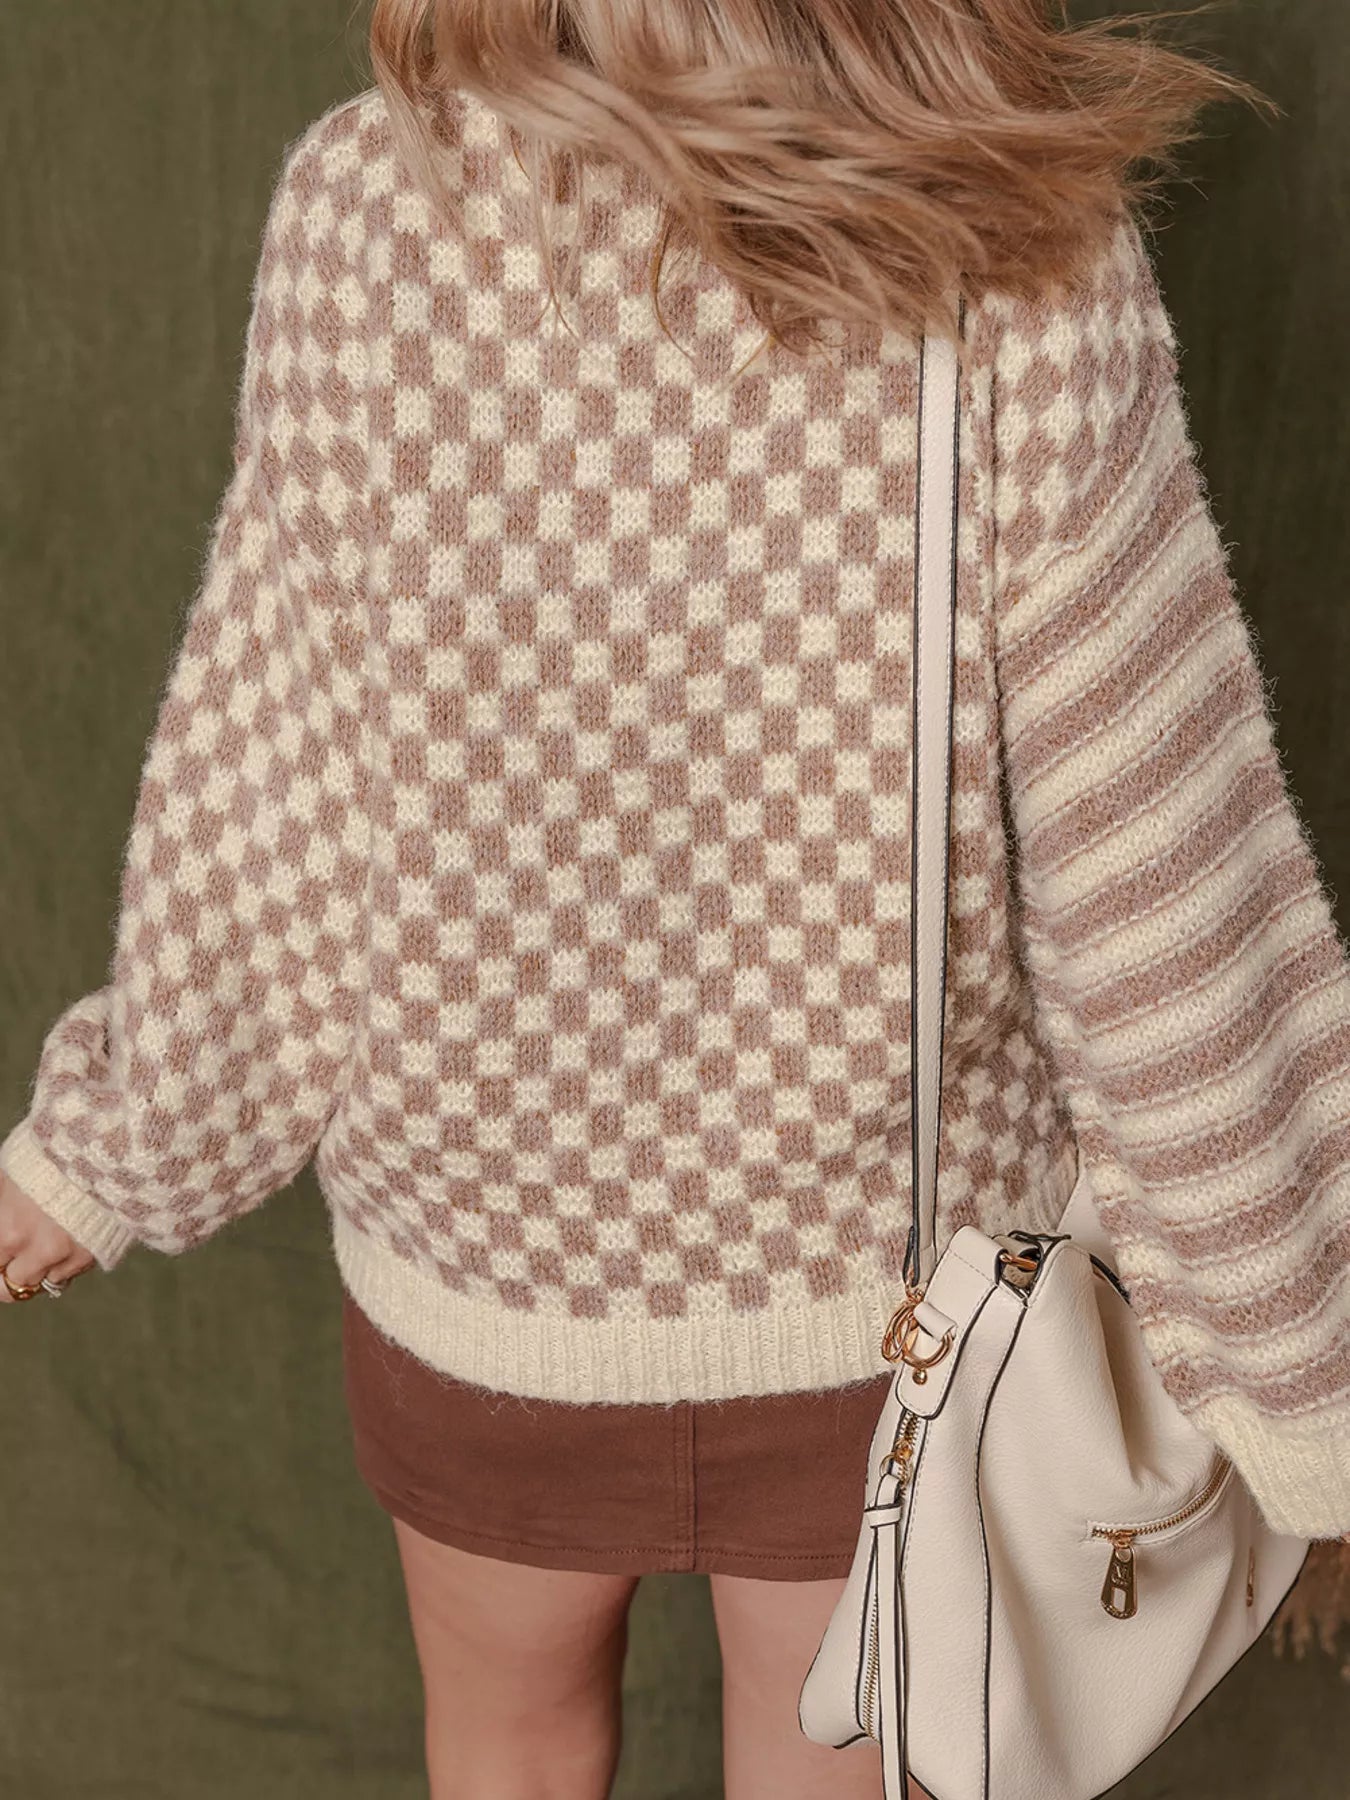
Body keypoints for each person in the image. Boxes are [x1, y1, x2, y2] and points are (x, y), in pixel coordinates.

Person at [3, 3, 1349, 1797]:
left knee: (503, 1746)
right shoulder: (1017, 234)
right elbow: (1158, 871)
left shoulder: (372, 203)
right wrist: (1291, 1365)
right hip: (885, 1303)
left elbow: (277, 781)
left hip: (494, 1265)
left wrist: (113, 1143)